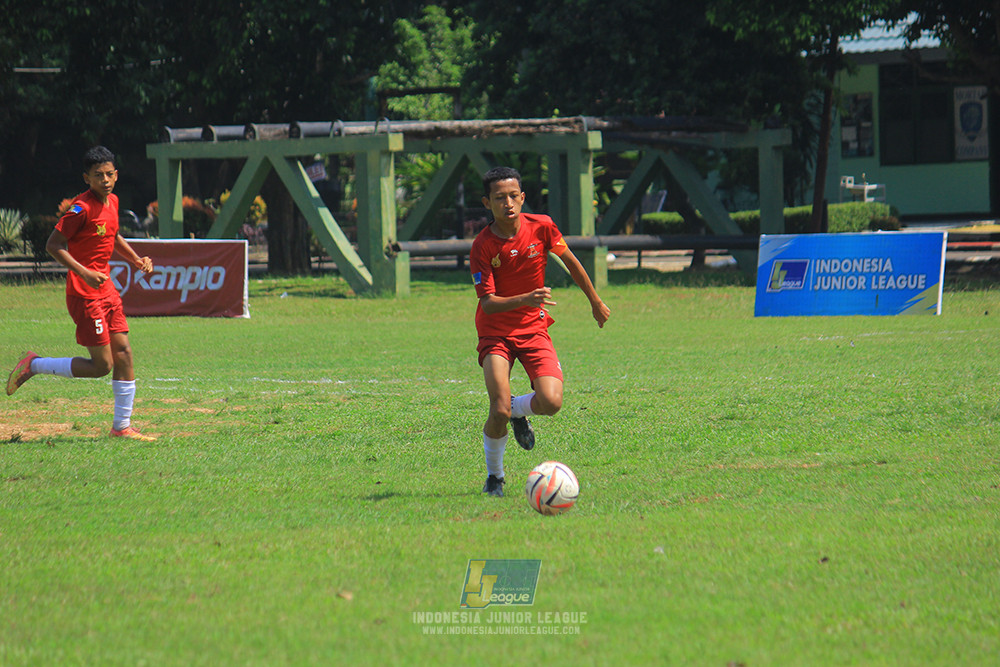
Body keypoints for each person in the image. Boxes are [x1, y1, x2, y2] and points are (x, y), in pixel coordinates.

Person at [471, 166, 610, 496]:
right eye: (499, 198)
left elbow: (572, 262)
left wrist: (594, 301)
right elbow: (488, 304)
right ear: (487, 203)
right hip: (495, 333)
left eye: (513, 196)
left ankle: (519, 411)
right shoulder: (483, 245)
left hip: (533, 329)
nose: (508, 203)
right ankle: (495, 477)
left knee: (551, 400)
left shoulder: (542, 227)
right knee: (498, 408)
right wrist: (527, 298)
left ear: (523, 197)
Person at [6, 145, 157, 441]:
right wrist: (84, 272)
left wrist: (136, 259)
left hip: (107, 291)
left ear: (116, 175)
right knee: (102, 365)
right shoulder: (80, 208)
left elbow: (112, 235)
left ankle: (121, 427)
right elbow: (53, 245)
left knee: (124, 353)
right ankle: (34, 365)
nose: (106, 180)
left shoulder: (112, 202)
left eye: (110, 174)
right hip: (84, 293)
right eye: (98, 175)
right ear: (86, 178)